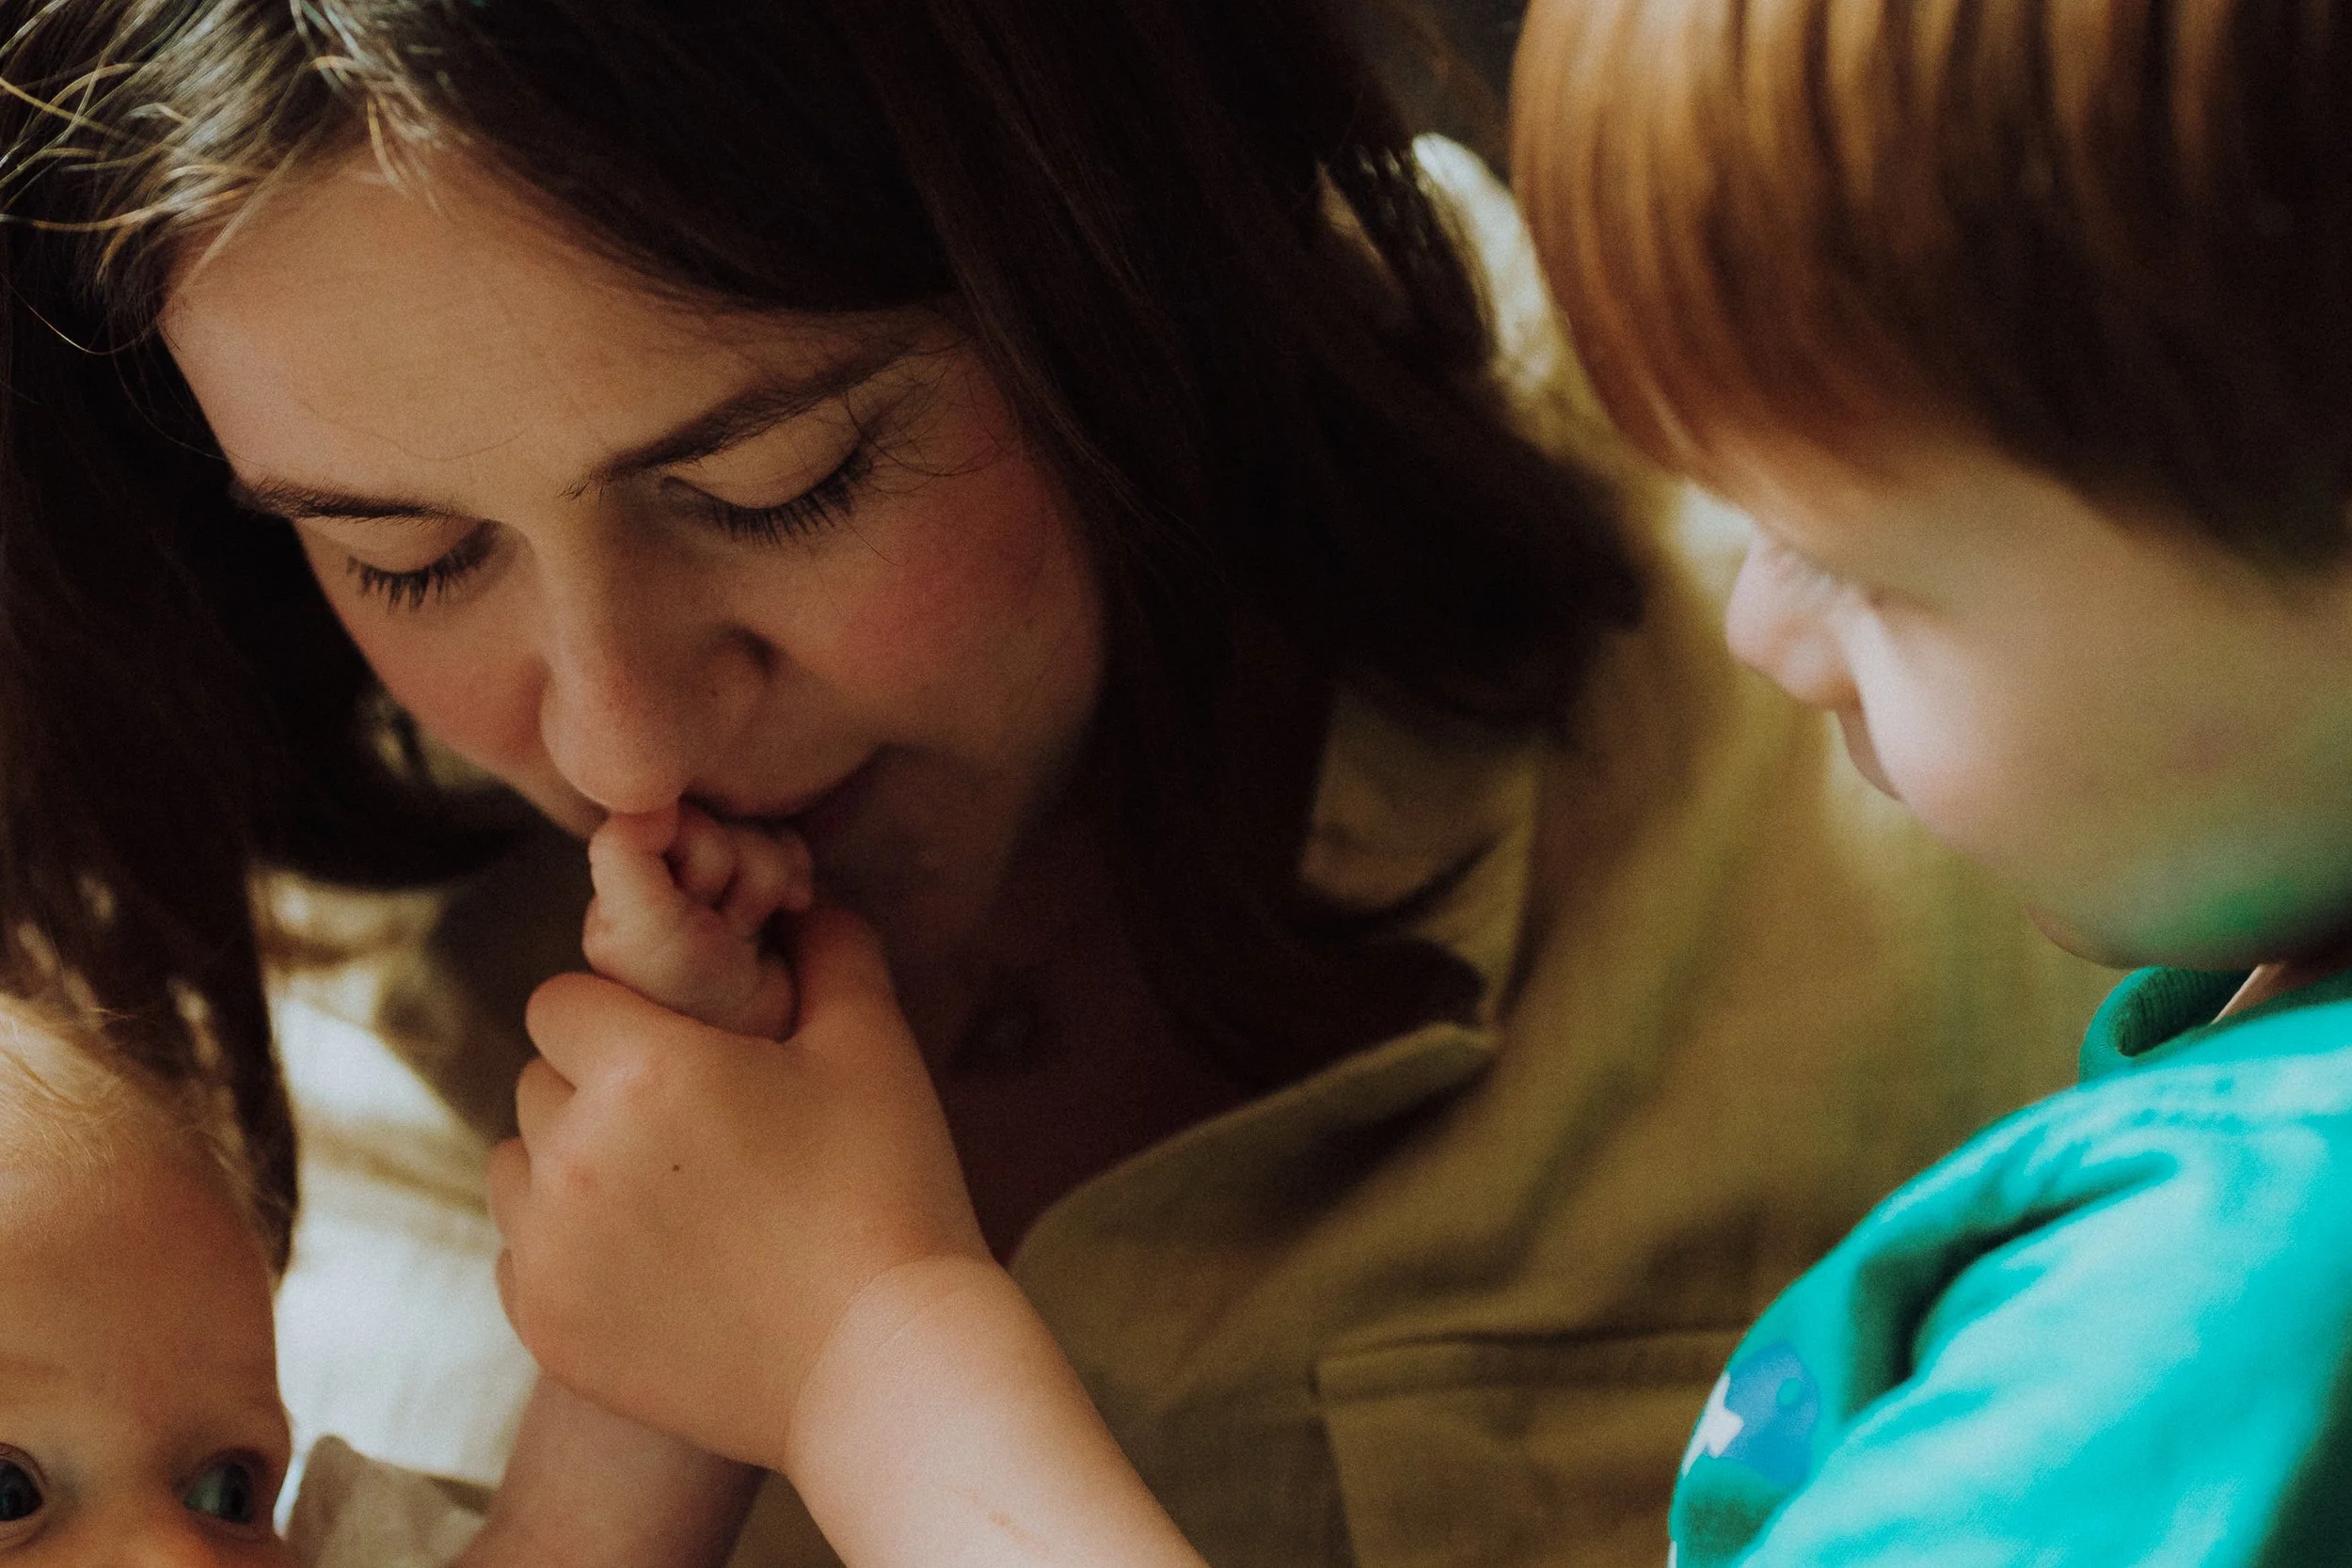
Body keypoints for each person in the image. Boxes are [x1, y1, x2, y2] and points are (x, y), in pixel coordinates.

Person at [0, 2, 2112, 1562]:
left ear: (1135, 264)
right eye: (406, 554)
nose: (619, 737)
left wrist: (856, 1355)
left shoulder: (1928, 651)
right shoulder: (175, 949)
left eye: (777, 479)